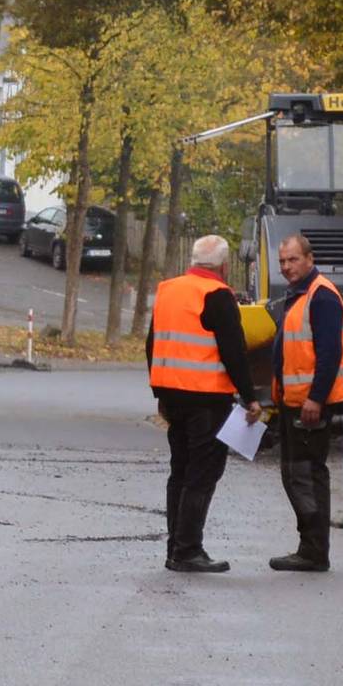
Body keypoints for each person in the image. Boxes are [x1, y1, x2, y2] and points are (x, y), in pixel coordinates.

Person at [148, 234, 267, 574]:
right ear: (225, 266)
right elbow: (234, 351)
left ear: (194, 259)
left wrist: (159, 393)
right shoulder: (218, 295)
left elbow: (151, 343)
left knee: (180, 471)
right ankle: (188, 550)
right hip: (207, 399)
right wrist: (250, 397)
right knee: (202, 473)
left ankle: (176, 547)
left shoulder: (168, 289)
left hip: (172, 396)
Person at [268, 232, 343, 572]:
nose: (287, 266)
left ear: (309, 259)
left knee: (305, 474)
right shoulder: (300, 295)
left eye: (293, 260)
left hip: (310, 404)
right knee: (295, 474)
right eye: (283, 261)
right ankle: (309, 546)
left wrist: (316, 398)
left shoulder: (322, 297)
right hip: (295, 402)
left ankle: (315, 550)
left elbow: (329, 354)